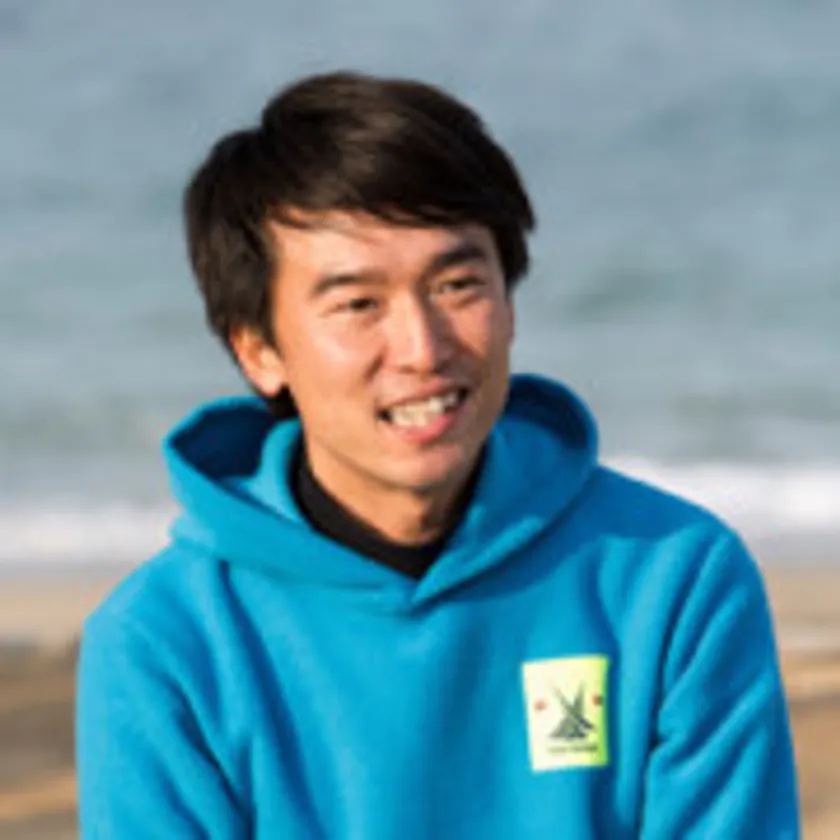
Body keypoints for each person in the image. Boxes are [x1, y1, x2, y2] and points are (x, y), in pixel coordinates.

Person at [76, 71, 800, 838]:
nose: (422, 348)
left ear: (509, 302)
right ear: (259, 351)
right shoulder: (163, 642)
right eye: (359, 304)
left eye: (457, 285)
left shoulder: (675, 577)